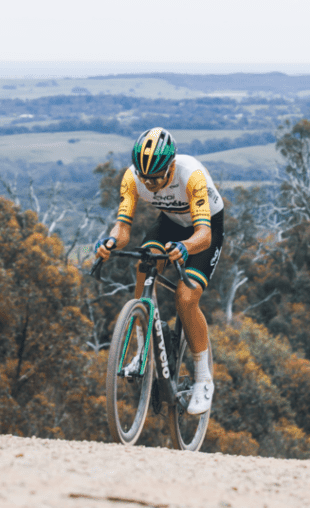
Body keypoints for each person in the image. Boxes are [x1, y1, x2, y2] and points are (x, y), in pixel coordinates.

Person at [95, 127, 224, 415]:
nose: (149, 183)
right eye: (144, 177)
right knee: (146, 262)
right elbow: (124, 228)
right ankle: (142, 350)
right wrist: (111, 241)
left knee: (186, 298)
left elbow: (203, 234)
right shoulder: (133, 177)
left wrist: (186, 247)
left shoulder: (191, 175)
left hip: (204, 230)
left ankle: (204, 379)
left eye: (155, 177)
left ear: (171, 166)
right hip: (169, 223)